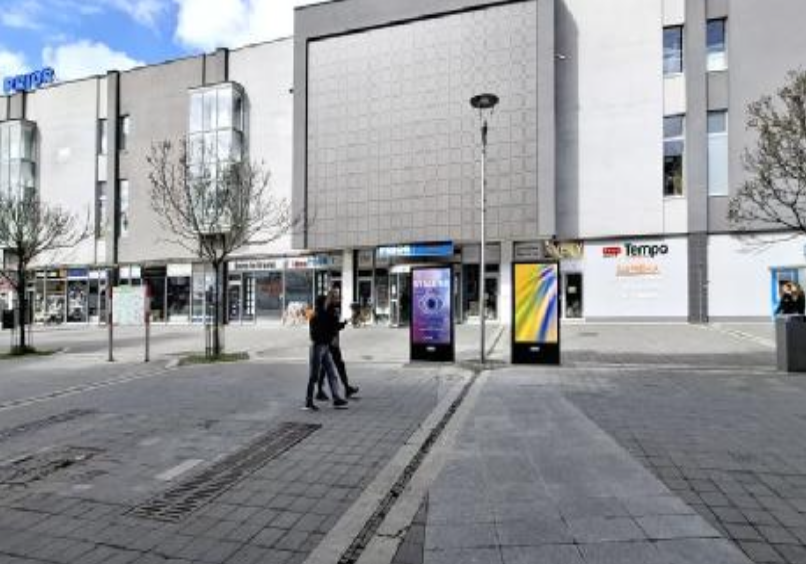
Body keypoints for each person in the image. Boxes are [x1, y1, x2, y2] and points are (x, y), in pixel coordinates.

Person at [305, 295, 348, 411]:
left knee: (331, 372)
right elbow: (320, 332)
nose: (327, 303)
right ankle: (309, 401)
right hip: (318, 347)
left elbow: (331, 327)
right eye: (326, 302)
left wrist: (339, 326)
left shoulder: (320, 314)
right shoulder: (317, 315)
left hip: (323, 347)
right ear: (323, 303)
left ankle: (336, 398)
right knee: (314, 375)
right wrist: (338, 327)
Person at [317, 289, 359, 400]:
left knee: (326, 367)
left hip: (329, 341)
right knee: (338, 365)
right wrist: (341, 325)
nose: (339, 298)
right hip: (332, 342)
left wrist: (344, 323)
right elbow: (332, 326)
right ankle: (345, 389)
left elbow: (333, 325)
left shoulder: (330, 308)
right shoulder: (331, 309)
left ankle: (320, 390)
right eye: (337, 296)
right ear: (333, 298)